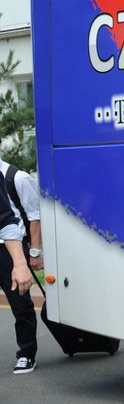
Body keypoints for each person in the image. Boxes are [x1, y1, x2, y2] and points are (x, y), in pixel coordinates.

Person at [1, 158, 36, 374]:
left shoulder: (17, 177)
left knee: (20, 301)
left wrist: (24, 260)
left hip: (7, 248)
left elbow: (7, 220)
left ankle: (26, 353)